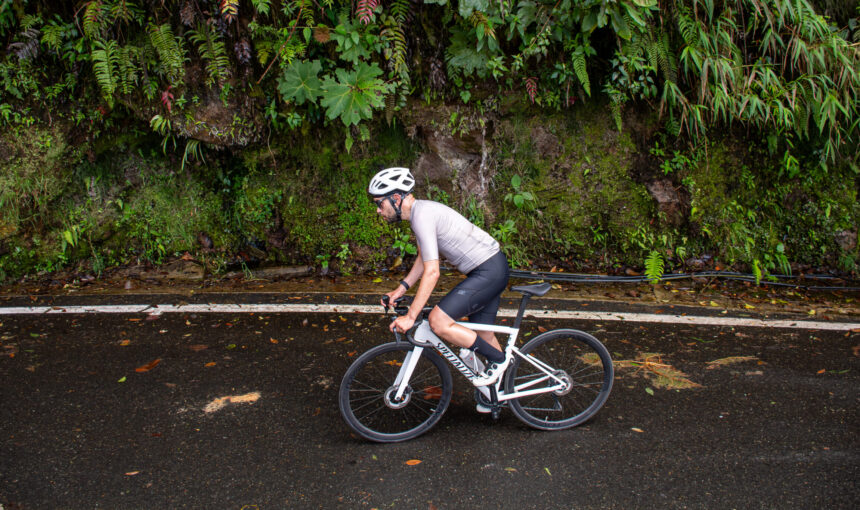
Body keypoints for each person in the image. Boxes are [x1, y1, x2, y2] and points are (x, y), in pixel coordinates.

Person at [369, 167, 511, 387]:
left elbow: (433, 272)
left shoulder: (422, 216)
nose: (379, 210)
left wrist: (411, 316)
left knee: (438, 321)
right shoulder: (420, 213)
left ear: (396, 198)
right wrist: (402, 288)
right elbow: (423, 258)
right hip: (490, 268)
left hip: (489, 271)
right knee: (483, 334)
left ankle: (499, 361)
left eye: (380, 203)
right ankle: (501, 393)